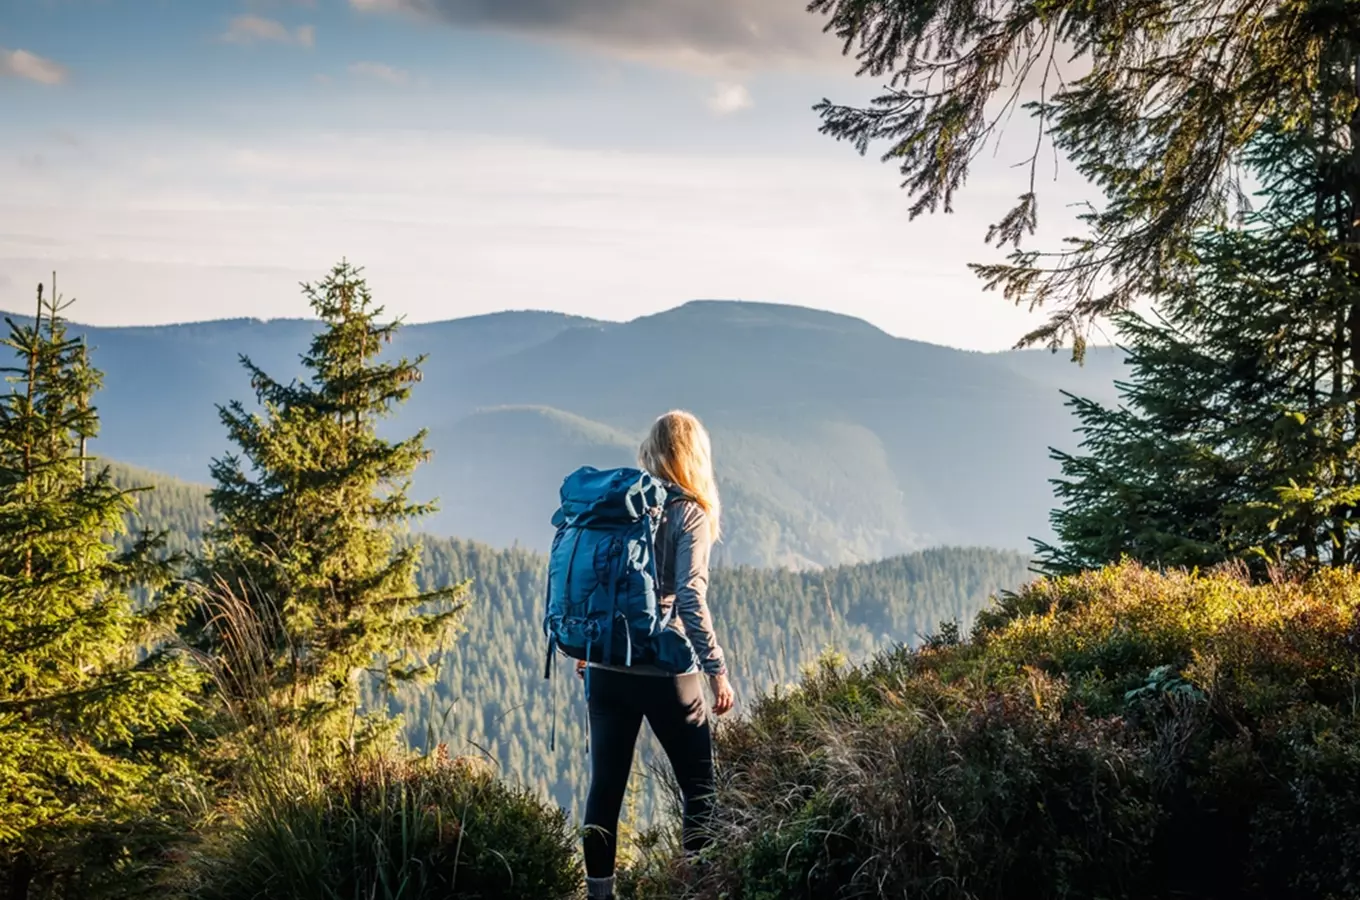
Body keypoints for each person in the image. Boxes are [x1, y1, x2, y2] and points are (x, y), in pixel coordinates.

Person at [578, 409, 735, 900]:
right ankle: (697, 889)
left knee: (605, 788)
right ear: (695, 457)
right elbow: (689, 598)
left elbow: (591, 582)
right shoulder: (689, 510)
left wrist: (592, 643)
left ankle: (599, 895)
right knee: (700, 790)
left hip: (605, 667)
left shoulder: (621, 505)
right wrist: (718, 672)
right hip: (665, 669)